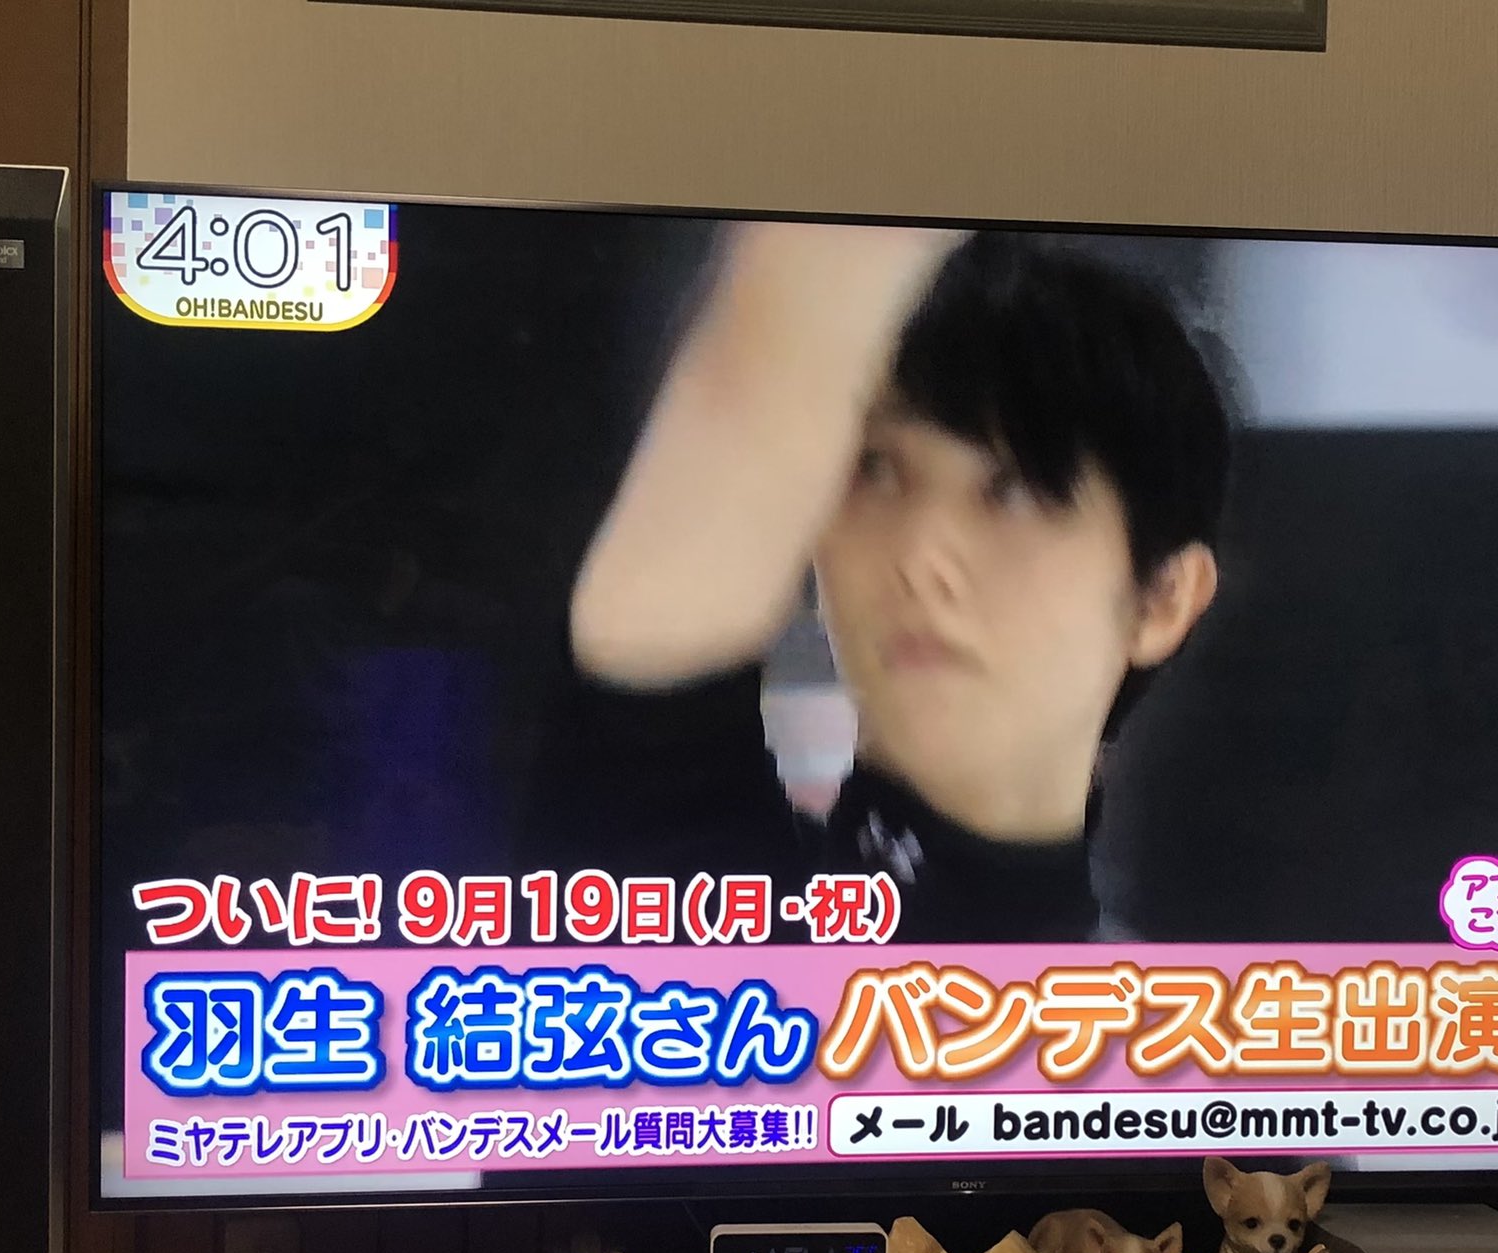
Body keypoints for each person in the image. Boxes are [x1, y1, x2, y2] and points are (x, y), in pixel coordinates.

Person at [523, 221, 1232, 942]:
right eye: (878, 472)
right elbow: (751, 385)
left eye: (1016, 491)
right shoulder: (682, 895)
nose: (920, 556)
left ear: (1163, 600)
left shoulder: (1207, 1004)